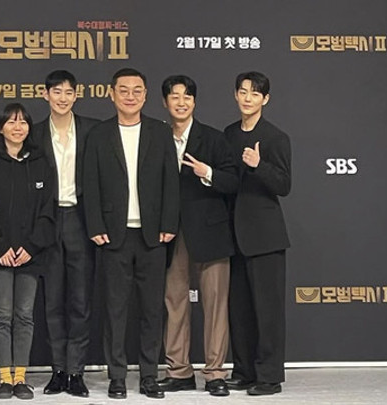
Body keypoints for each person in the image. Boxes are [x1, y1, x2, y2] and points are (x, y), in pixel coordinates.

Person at [83, 68, 179, 399]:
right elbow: (90, 183)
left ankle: (150, 375)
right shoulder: (99, 134)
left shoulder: (160, 132)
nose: (130, 96)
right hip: (113, 235)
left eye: (137, 90)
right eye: (123, 90)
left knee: (152, 310)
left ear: (146, 95)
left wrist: (169, 223)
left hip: (153, 236)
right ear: (111, 94)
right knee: (115, 310)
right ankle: (117, 376)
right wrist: (95, 225)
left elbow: (171, 182)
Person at [156, 75, 238, 397]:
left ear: (194, 101)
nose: (181, 102)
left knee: (216, 305)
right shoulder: (156, 138)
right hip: (170, 233)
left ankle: (215, 373)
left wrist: (208, 173)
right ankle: (179, 371)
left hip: (210, 233)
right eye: (175, 96)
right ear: (165, 102)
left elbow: (233, 181)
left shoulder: (214, 139)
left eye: (187, 96)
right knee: (175, 302)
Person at [0, 103, 56, 400]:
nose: (18, 127)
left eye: (23, 122)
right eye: (11, 122)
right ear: (0, 128)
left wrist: (31, 246)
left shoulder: (41, 163)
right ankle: (4, 378)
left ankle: (21, 377)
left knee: (24, 315)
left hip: (31, 254)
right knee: (2, 315)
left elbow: (48, 212)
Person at [30, 70, 99, 398]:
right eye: (56, 92)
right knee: (52, 300)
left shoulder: (92, 130)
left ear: (76, 95)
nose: (62, 98)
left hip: (80, 220)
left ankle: (76, 372)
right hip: (47, 221)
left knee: (80, 301)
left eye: (68, 92)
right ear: (45, 95)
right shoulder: (33, 133)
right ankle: (58, 370)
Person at [223, 71, 291, 396]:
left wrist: (258, 165)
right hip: (234, 236)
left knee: (267, 312)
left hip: (266, 238)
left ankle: (269, 376)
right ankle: (244, 371)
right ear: (236, 95)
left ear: (265, 99)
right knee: (240, 311)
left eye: (254, 93)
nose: (247, 98)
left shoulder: (276, 137)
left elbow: (284, 185)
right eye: (243, 91)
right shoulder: (228, 134)